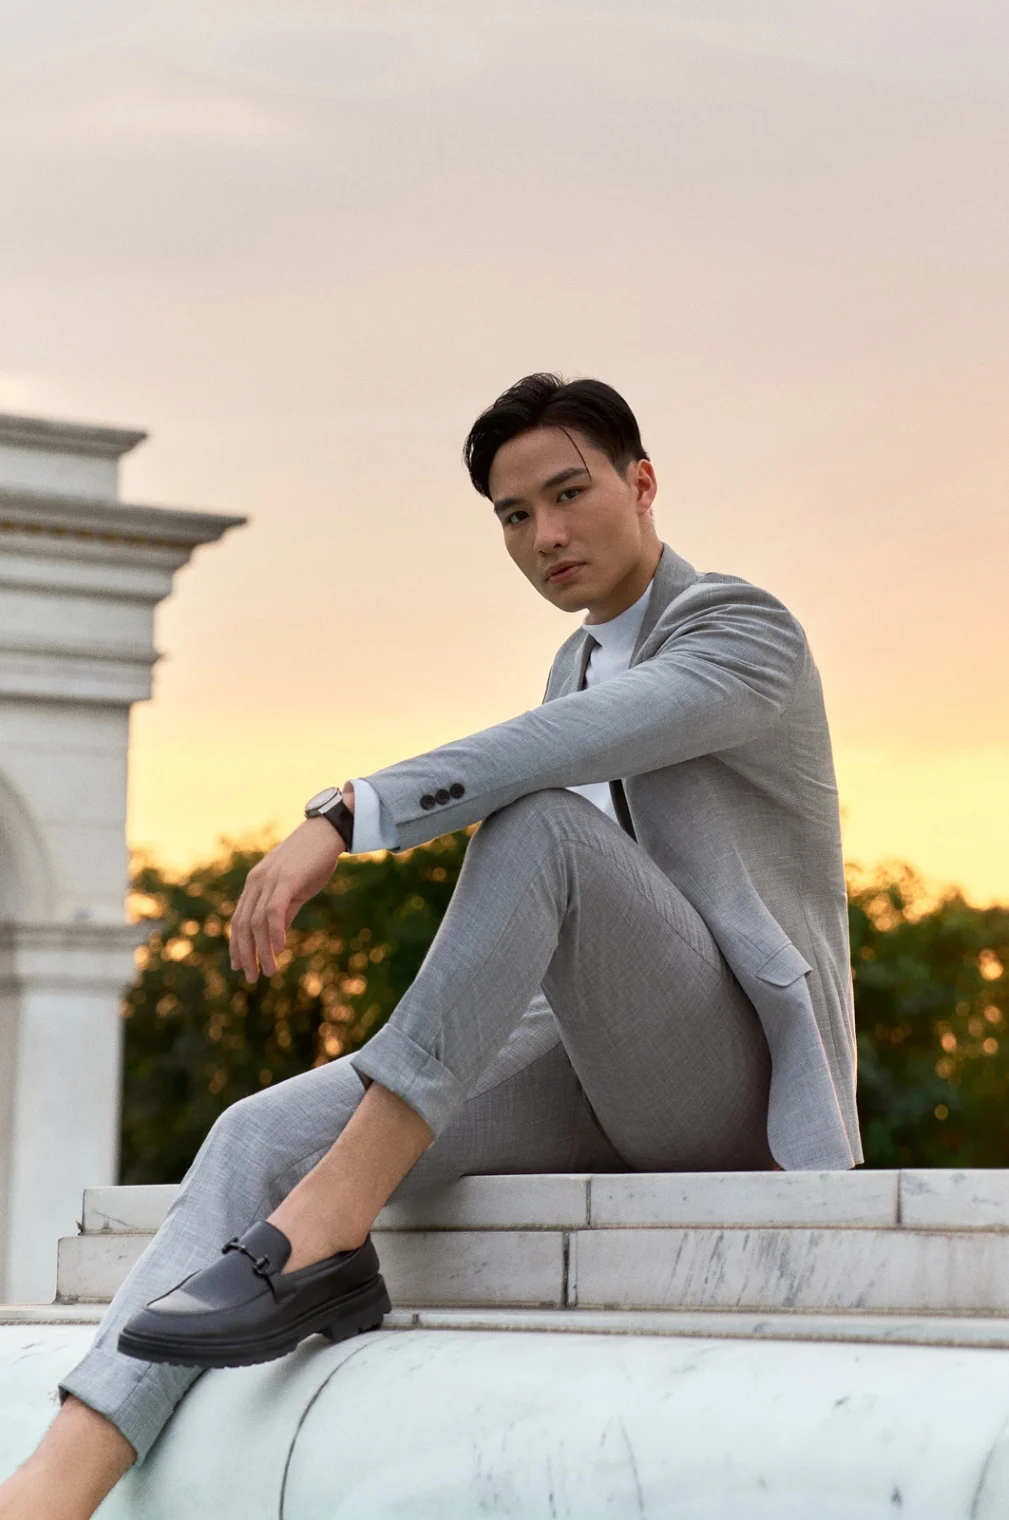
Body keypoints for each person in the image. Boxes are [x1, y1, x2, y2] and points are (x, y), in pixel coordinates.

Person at [0, 373, 860, 1518]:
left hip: (726, 1080)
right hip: (586, 1062)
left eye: (569, 493)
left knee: (538, 820)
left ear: (642, 483)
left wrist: (349, 809)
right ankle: (52, 1484)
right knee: (256, 1132)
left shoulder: (741, 630)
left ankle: (327, 1225)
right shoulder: (572, 661)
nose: (545, 535)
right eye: (514, 514)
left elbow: (562, 750)